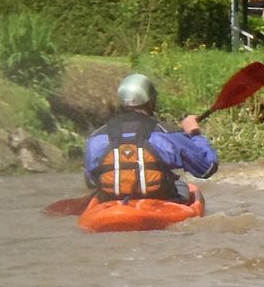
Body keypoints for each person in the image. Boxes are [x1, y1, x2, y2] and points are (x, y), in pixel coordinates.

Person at [84, 73, 218, 203]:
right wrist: (194, 132)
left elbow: (91, 180)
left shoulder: (97, 136)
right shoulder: (167, 133)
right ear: (150, 100)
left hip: (112, 204)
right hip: (159, 202)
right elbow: (207, 168)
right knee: (182, 185)